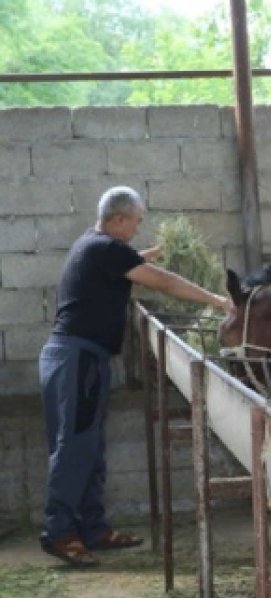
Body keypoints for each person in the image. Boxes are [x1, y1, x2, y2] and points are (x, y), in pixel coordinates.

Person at [38, 185, 234, 567]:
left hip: (76, 359)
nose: (138, 229)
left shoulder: (94, 246)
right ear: (118, 220)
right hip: (76, 360)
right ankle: (60, 532)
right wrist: (216, 300)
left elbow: (132, 263)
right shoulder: (104, 249)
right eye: (136, 222)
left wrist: (158, 253)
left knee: (90, 449)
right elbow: (162, 281)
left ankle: (92, 529)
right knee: (75, 448)